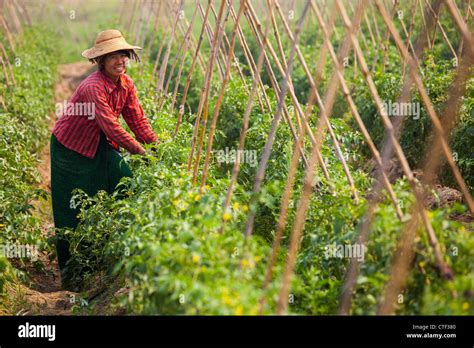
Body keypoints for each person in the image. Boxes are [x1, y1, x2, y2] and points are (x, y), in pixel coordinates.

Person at [50, 29, 158, 288]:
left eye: (123, 54)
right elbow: (111, 126)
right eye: (113, 56)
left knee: (124, 182)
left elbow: (137, 120)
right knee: (72, 209)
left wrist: (155, 147)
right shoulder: (92, 87)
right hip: (71, 149)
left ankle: (106, 255)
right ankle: (72, 275)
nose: (120, 60)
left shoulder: (126, 84)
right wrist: (139, 151)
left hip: (100, 144)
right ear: (101, 60)